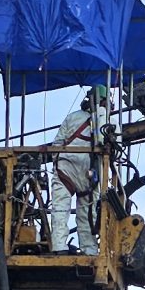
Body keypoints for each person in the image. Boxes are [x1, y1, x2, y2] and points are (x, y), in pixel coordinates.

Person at [49, 89, 102, 252]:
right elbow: (116, 149)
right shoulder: (109, 119)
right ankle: (89, 250)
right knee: (88, 213)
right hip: (91, 173)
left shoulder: (73, 117)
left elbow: (57, 144)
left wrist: (57, 161)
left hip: (66, 168)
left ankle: (59, 247)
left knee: (60, 209)